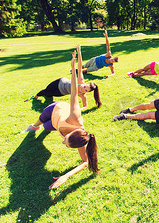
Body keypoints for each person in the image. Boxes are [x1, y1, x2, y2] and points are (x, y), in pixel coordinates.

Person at [21, 47, 100, 189]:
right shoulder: (75, 118)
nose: (63, 143)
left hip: (56, 124)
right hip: (55, 109)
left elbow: (85, 162)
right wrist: (73, 66)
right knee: (38, 123)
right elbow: (74, 93)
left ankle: (39, 127)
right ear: (71, 133)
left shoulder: (81, 140)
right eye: (66, 141)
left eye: (65, 143)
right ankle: (32, 127)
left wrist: (65, 176)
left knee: (45, 128)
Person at [24, 44, 101, 109]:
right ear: (84, 84)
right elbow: (80, 67)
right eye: (84, 87)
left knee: (49, 95)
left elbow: (85, 106)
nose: (82, 89)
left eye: (85, 90)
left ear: (86, 92)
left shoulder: (82, 95)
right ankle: (36, 96)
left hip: (61, 92)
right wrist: (79, 52)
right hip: (59, 82)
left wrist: (79, 110)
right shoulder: (80, 81)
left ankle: (46, 95)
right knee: (46, 91)